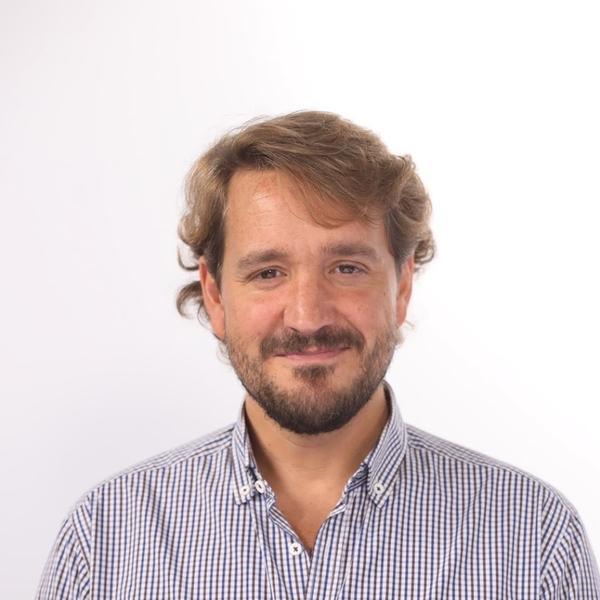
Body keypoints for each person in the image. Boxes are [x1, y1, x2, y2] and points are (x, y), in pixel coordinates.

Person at [37, 111, 600, 599]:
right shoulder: (105, 539)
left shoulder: (534, 539)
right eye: (268, 273)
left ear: (402, 287)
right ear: (215, 295)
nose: (307, 317)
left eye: (347, 268)